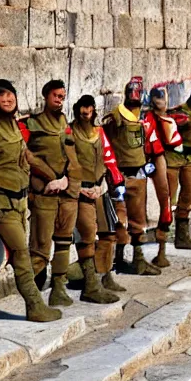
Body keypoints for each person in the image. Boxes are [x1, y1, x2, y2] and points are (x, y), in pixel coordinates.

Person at [0, 79, 61, 322]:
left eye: (10, 94)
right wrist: (10, 185)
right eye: (2, 96)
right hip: (2, 204)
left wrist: (55, 177)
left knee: (23, 252)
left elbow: (27, 156)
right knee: (21, 254)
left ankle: (35, 304)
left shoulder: (13, 128)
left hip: (20, 203)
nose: (7, 99)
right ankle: (34, 306)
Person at [20, 80, 82, 306]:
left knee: (64, 242)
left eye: (62, 96)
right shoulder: (31, 124)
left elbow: (72, 155)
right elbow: (24, 154)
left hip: (68, 191)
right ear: (45, 96)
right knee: (40, 248)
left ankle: (58, 289)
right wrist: (48, 177)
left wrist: (68, 181)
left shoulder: (66, 124)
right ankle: (32, 298)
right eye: (55, 95)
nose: (59, 99)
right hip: (45, 191)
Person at [102, 77, 160, 276]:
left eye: (139, 91)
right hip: (121, 176)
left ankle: (138, 259)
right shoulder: (116, 117)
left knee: (138, 220)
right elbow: (106, 142)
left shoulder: (140, 117)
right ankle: (117, 259)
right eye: (133, 91)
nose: (136, 95)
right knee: (120, 220)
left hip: (139, 174)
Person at [69, 95, 120, 304]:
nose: (86, 111)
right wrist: (78, 188)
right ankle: (90, 285)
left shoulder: (98, 132)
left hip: (100, 188)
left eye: (89, 107)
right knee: (87, 236)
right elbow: (66, 162)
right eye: (82, 107)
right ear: (77, 109)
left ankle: (104, 276)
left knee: (109, 232)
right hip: (81, 192)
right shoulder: (69, 132)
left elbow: (107, 157)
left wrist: (106, 184)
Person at [143, 86, 184, 266]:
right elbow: (173, 139)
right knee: (164, 204)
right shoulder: (155, 119)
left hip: (158, 161)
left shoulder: (156, 118)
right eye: (160, 97)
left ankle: (161, 251)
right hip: (156, 160)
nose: (163, 100)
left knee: (165, 206)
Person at [167, 86, 191, 250]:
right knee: (167, 198)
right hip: (173, 159)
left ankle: (182, 237)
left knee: (190, 197)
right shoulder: (180, 112)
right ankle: (162, 241)